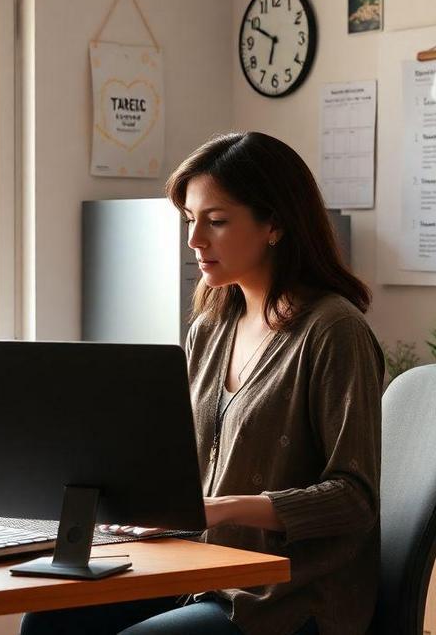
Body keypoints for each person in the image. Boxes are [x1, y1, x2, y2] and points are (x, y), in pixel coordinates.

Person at [20, 132, 383, 635]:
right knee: (48, 622)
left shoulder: (333, 331)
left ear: (275, 223)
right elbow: (179, 459)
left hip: (286, 595)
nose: (194, 240)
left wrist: (224, 508)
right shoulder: (210, 329)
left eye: (216, 221)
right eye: (191, 220)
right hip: (197, 573)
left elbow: (355, 499)